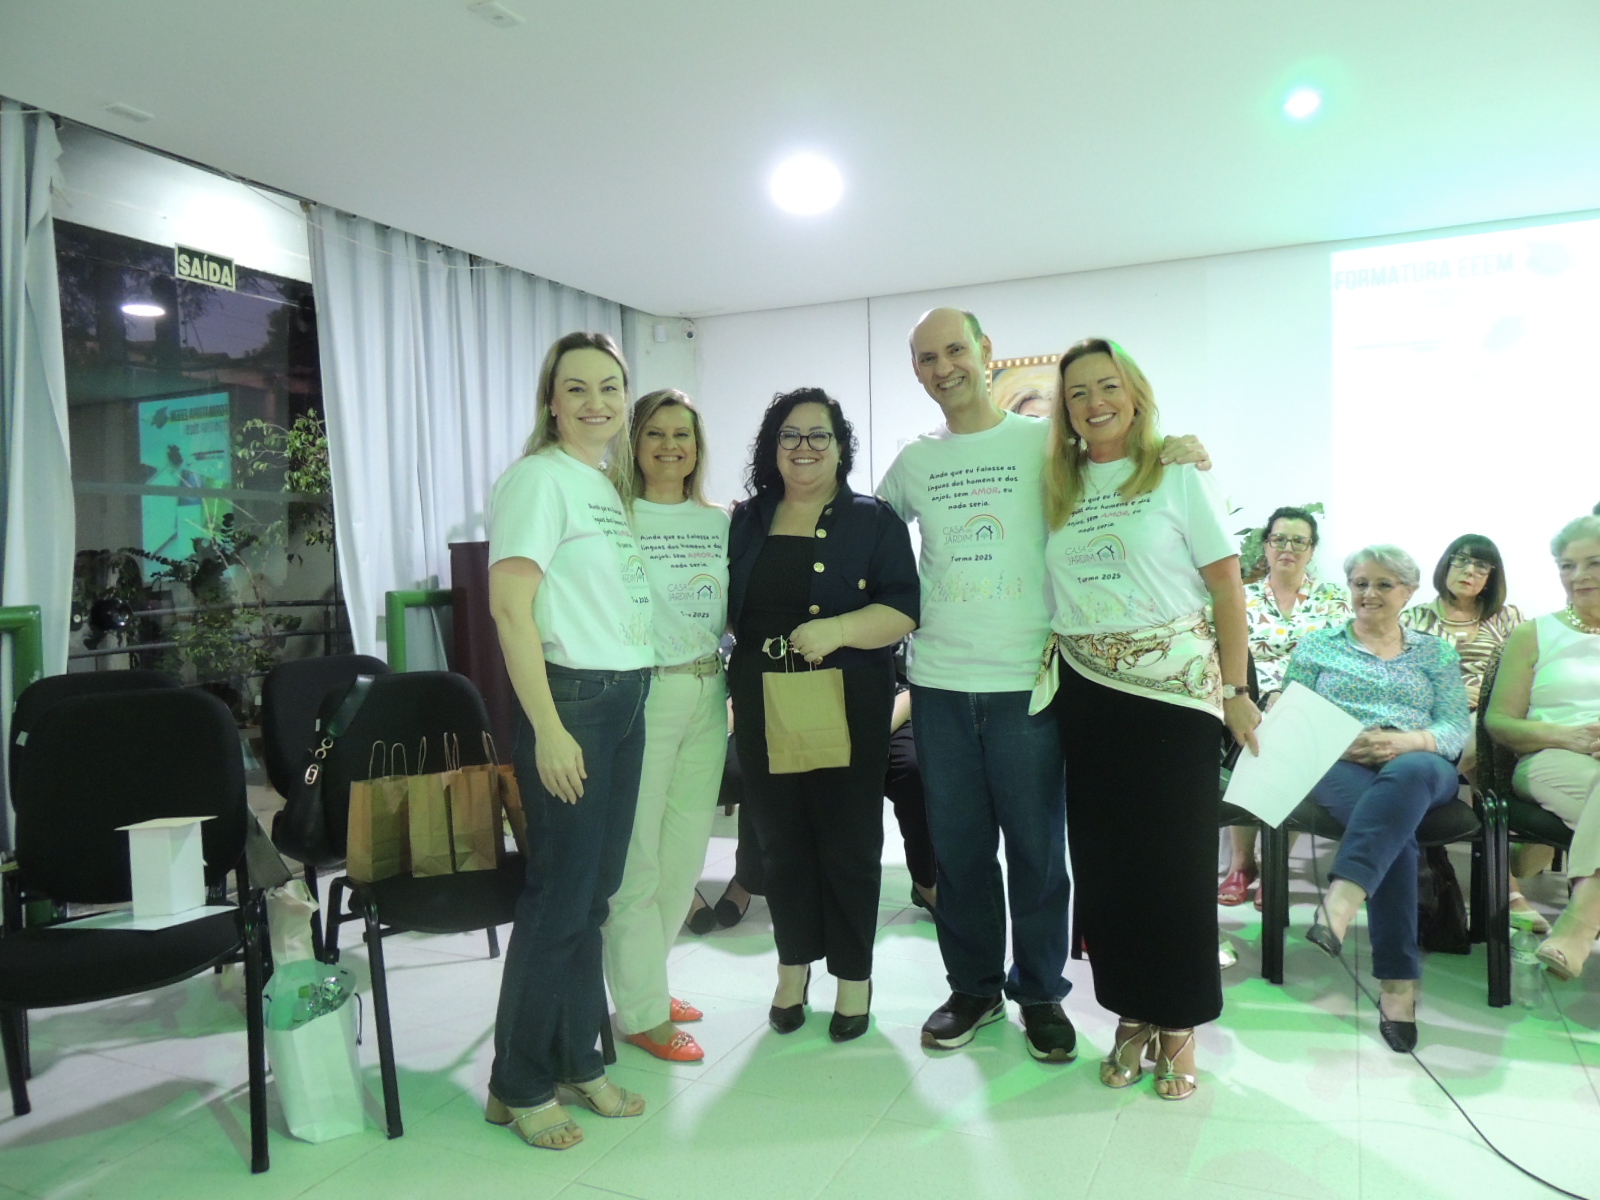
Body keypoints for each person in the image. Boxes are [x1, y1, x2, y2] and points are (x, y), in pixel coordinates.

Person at [879, 308, 1210, 1064]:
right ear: (917, 371)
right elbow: (866, 530)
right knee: (960, 853)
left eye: (956, 349)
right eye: (927, 358)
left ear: (985, 353)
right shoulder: (913, 463)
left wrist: (1177, 449)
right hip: (939, 684)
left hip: (1030, 683)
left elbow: (1124, 456)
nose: (944, 367)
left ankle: (1039, 993)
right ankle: (972, 989)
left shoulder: (1046, 442)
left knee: (1036, 853)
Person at [1042, 337, 1260, 1100]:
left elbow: (1227, 587)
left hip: (1175, 697)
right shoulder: (1056, 484)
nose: (1094, 402)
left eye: (1108, 386)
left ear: (1134, 394)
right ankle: (1131, 1011)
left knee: (1173, 868)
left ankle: (1179, 1022)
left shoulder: (1177, 472)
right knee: (1106, 868)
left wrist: (1236, 688)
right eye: (1077, 392)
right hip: (1087, 694)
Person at [485, 332, 653, 1150]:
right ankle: (519, 1083)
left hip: (624, 697)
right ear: (551, 402)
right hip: (574, 703)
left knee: (592, 898)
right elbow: (509, 609)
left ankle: (577, 1060)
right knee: (559, 901)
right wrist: (548, 729)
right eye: (577, 388)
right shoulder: (538, 479)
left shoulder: (603, 485)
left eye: (610, 387)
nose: (596, 402)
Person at [727, 387, 919, 1042]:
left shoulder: (873, 521)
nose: (803, 447)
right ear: (772, 447)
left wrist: (837, 630)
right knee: (780, 840)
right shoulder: (746, 520)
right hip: (762, 697)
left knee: (849, 842)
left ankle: (854, 977)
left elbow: (904, 608)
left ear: (841, 448)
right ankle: (792, 970)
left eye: (819, 435)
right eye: (790, 435)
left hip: (848, 698)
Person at [1285, 545, 1470, 1053]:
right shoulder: (1317, 646)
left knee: (1407, 775)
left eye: (1384, 584)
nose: (1369, 593)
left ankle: (1342, 900)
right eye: (1361, 583)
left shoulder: (1436, 653)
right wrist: (1340, 740)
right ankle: (1397, 985)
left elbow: (1455, 726)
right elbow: (1292, 715)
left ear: (1408, 593)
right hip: (1338, 762)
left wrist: (1404, 742)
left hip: (1421, 765)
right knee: (1396, 839)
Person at [600, 389, 728, 1063]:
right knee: (638, 863)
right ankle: (643, 1013)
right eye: (655, 433)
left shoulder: (719, 522)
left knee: (684, 858)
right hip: (644, 693)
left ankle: (647, 981)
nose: (670, 445)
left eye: (683, 434)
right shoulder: (616, 516)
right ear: (634, 443)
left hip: (709, 691)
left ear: (698, 447)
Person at [1485, 514, 1600, 980]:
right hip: (1548, 760)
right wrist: (1566, 736)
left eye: (1594, 563)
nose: (1579, 576)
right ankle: (1579, 929)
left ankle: (1576, 927)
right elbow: (1498, 723)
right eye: (1567, 565)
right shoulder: (1534, 633)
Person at [1220, 507, 1350, 909]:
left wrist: (1293, 696)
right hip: (1249, 697)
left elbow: (1341, 659)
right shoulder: (1242, 596)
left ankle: (1273, 861)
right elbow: (1225, 654)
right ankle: (1242, 863)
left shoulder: (1333, 599)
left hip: (1308, 702)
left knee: (1293, 733)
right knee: (1252, 728)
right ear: (1266, 545)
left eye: (1298, 541)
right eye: (1279, 539)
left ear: (1312, 549)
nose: (1287, 548)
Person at [1402, 535, 1523, 716]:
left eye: (1481, 566)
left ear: (1490, 577)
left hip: (1493, 714)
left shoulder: (1506, 617)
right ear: (1446, 565)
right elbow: (1394, 680)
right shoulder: (1413, 619)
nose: (1469, 571)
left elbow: (1524, 675)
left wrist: (1487, 695)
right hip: (1429, 715)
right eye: (1462, 560)